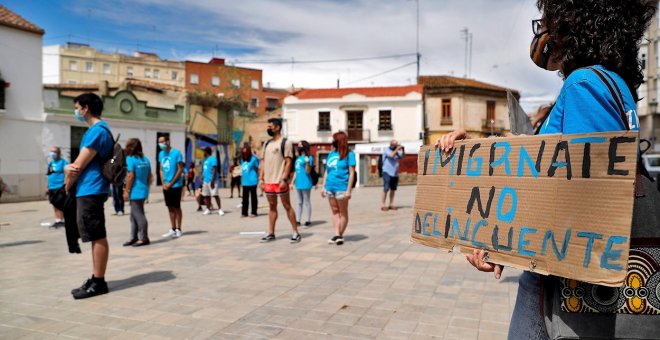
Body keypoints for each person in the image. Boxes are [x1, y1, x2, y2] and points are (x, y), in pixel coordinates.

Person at [436, 1, 655, 338]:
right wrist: (478, 151)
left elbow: (582, 199)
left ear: (573, 23)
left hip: (560, 291)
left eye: (550, 18)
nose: (544, 29)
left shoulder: (584, 85)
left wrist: (506, 246)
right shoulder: (614, 85)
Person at [64, 92, 114, 299]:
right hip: (92, 189)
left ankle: (99, 281)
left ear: (86, 108)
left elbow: (77, 166)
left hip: (91, 189)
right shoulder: (100, 130)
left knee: (96, 234)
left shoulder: (97, 131)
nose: (76, 111)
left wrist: (67, 180)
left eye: (77, 107)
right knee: (94, 234)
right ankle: (95, 278)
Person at [259, 118, 301, 243]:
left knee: (287, 206)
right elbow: (263, 162)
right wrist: (261, 178)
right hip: (268, 181)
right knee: (272, 207)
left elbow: (289, 162)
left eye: (270, 126)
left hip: (280, 181)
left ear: (277, 127)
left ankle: (295, 232)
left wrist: (284, 178)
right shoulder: (266, 144)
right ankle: (271, 233)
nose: (269, 128)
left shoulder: (286, 143)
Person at [321, 131, 355, 245]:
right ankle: (336, 234)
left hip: (342, 187)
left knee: (343, 212)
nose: (332, 142)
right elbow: (327, 171)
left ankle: (339, 234)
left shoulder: (349, 154)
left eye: (334, 140)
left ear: (339, 141)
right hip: (330, 187)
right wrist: (323, 186)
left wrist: (349, 190)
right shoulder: (331, 154)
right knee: (335, 211)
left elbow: (351, 173)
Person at [122, 138, 152, 247]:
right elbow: (150, 176)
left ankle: (144, 238)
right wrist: (147, 188)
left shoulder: (130, 159)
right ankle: (133, 237)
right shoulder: (146, 159)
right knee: (133, 215)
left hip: (135, 191)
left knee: (139, 215)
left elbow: (130, 176)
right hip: (143, 189)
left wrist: (126, 191)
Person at [158, 135, 185, 237]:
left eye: (162, 142)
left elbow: (180, 169)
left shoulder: (176, 153)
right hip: (166, 185)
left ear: (167, 142)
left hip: (176, 185)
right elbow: (161, 169)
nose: (160, 144)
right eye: (159, 142)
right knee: (170, 207)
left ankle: (179, 228)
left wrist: (171, 183)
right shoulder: (161, 154)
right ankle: (172, 228)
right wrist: (163, 183)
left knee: (177, 207)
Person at [290, 140, 313, 226]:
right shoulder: (298, 158)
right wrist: (292, 182)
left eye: (300, 145)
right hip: (298, 183)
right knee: (299, 202)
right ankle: (298, 220)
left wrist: (307, 162)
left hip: (306, 182)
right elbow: (296, 171)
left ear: (304, 146)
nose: (298, 146)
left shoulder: (309, 157)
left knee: (306, 201)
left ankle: (308, 220)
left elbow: (308, 171)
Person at [46, 147, 67, 228]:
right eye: (51, 152)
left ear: (58, 153)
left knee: (61, 204)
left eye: (54, 152)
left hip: (60, 186)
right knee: (54, 204)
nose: (52, 153)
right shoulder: (51, 163)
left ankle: (63, 220)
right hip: (52, 187)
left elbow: (67, 174)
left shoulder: (63, 162)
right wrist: (47, 186)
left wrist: (65, 185)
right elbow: (49, 175)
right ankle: (57, 220)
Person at [380, 140, 404, 211]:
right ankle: (383, 205)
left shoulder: (397, 152)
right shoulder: (387, 150)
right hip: (386, 172)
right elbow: (391, 155)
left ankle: (391, 204)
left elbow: (402, 157)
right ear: (391, 144)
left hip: (395, 173)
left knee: (393, 189)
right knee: (386, 188)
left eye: (396, 144)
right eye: (394, 144)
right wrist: (397, 149)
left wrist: (402, 150)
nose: (395, 145)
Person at [201, 147, 225, 216]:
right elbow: (205, 170)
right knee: (206, 196)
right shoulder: (205, 160)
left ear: (207, 152)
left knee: (215, 195)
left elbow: (214, 170)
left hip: (212, 180)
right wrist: (202, 177)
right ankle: (208, 209)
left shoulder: (213, 159)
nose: (203, 153)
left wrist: (212, 180)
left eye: (204, 151)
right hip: (205, 181)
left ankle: (220, 209)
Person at [240, 146, 260, 217]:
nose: (244, 155)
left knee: (253, 197)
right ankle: (244, 212)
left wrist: (260, 178)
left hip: (252, 181)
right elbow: (242, 169)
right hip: (245, 182)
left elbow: (258, 169)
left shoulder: (254, 159)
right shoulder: (242, 160)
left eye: (246, 153)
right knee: (244, 198)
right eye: (243, 153)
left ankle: (254, 212)